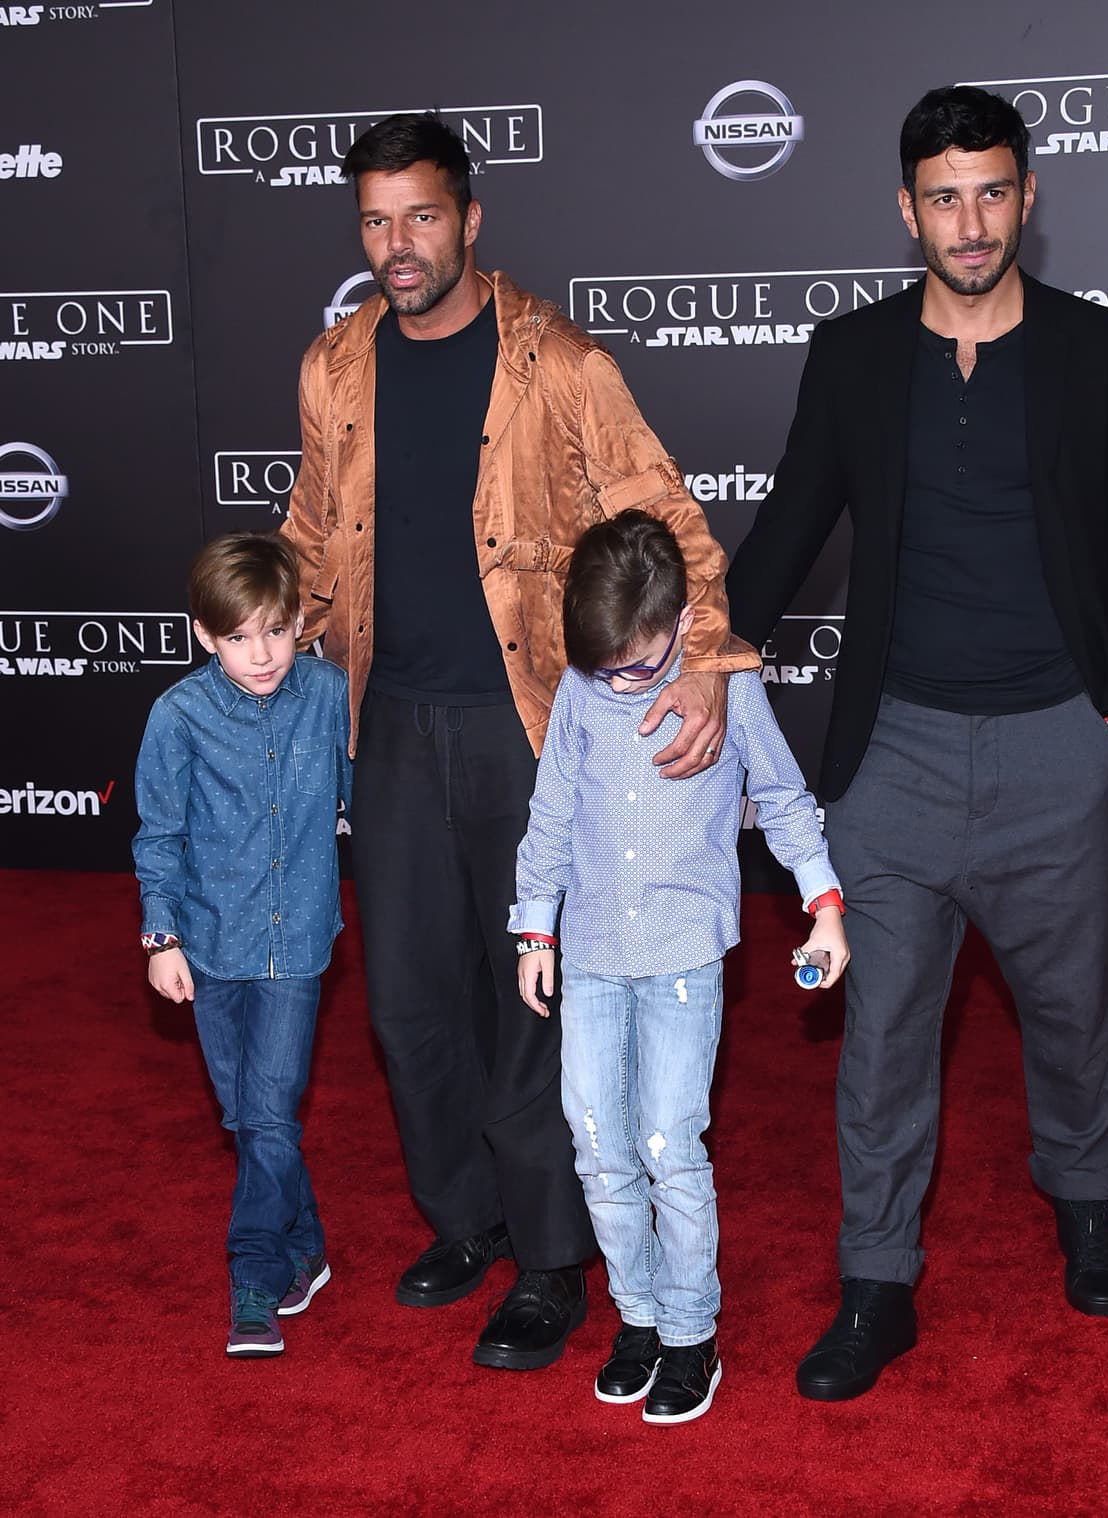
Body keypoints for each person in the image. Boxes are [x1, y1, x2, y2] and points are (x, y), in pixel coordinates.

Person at [280, 113, 758, 1371]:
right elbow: (312, 541)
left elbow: (669, 519)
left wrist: (703, 658)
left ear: (471, 220)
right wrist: (255, 635)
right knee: (410, 1007)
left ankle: (551, 1260)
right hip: (385, 724)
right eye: (376, 221)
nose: (399, 244)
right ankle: (465, 1219)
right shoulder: (334, 368)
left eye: (422, 216)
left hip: (532, 728)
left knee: (529, 995)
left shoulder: (558, 363)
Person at [726, 85, 1108, 1402]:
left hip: (1058, 742)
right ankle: (876, 1280)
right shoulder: (854, 355)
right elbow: (789, 528)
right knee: (879, 1034)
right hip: (897, 755)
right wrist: (702, 665)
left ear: (1028, 199)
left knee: (1075, 1011)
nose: (969, 221)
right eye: (944, 195)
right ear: (904, 208)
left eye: (992, 192)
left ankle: (1087, 1202)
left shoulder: (1101, 350)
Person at [509, 510, 849, 1422]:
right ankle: (641, 1316)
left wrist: (825, 907)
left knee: (668, 1143)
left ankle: (693, 1331)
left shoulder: (729, 687)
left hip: (683, 955)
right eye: (603, 664)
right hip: (588, 952)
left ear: (681, 624)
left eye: (639, 662)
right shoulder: (582, 694)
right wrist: (535, 928)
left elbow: (782, 799)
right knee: (596, 1142)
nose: (621, 681)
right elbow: (549, 818)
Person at [132, 533, 352, 1358]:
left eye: (275, 631)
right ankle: (307, 1243)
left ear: (299, 620)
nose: (261, 655)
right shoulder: (178, 716)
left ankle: (253, 1276)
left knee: (265, 1112)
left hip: (298, 940)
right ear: (203, 635)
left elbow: (367, 796)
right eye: (237, 637)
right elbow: (159, 835)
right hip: (210, 943)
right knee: (250, 1116)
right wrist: (162, 938)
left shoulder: (329, 695)